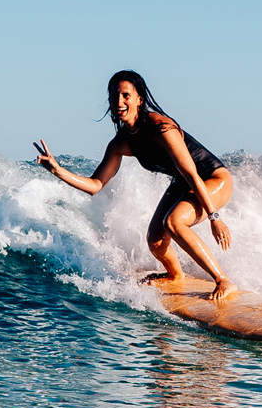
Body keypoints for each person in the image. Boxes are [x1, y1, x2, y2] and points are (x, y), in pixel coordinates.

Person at [33, 70, 239, 300]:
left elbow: (191, 172)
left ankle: (223, 280)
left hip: (213, 179)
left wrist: (214, 217)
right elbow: (95, 185)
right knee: (156, 241)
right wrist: (57, 170)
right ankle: (175, 276)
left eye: (126, 95)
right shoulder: (121, 142)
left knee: (173, 222)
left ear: (140, 100)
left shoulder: (162, 128)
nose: (119, 101)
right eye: (114, 96)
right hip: (184, 182)